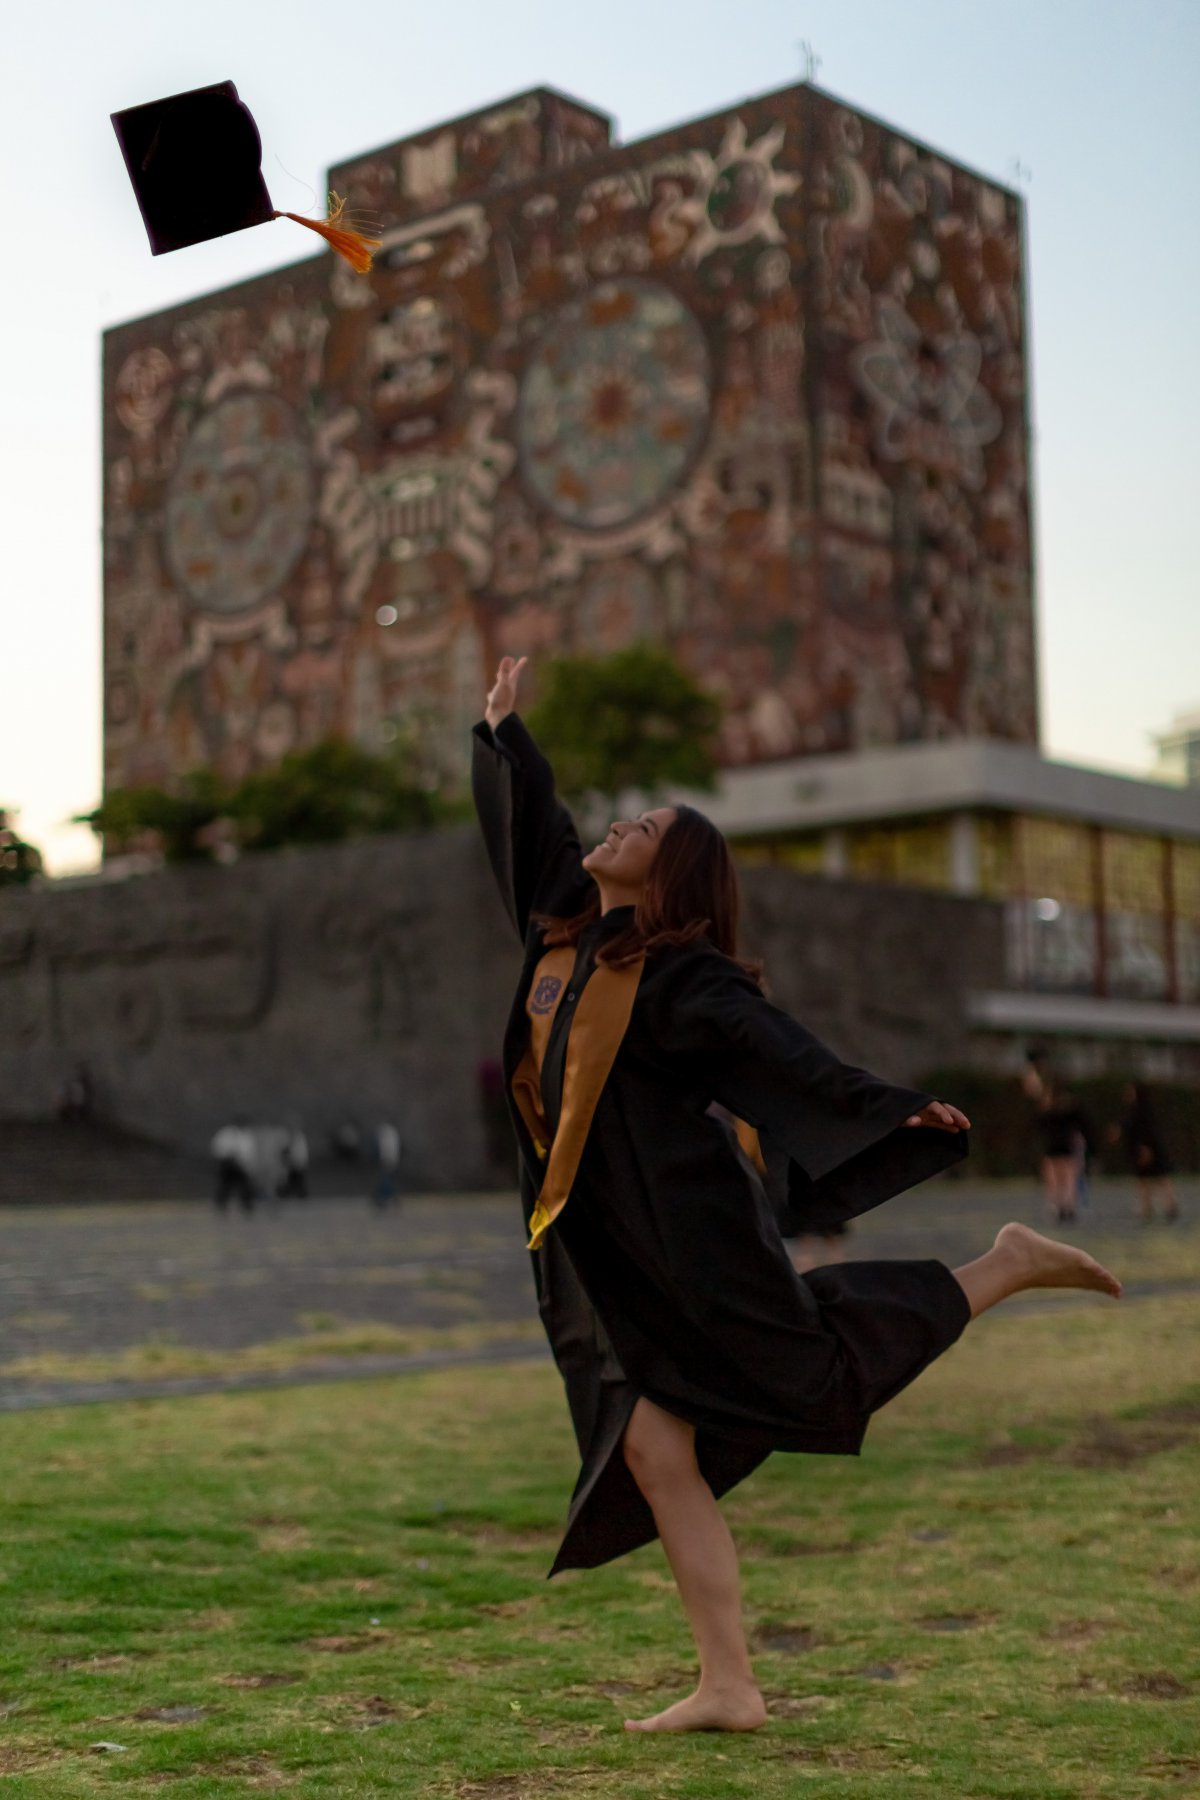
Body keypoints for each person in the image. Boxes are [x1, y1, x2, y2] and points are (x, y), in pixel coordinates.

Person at [472, 656, 1122, 1735]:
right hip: (612, 1248)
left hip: (694, 1240)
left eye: (643, 830)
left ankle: (999, 1266)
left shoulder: (685, 980)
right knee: (653, 1448)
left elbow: (784, 1055)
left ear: (673, 877)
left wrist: (890, 1110)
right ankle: (730, 1685)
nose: (618, 830)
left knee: (814, 1382)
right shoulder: (566, 939)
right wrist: (508, 738)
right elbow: (535, 838)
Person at [1116, 1082, 1179, 1223]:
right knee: (1145, 1180)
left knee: (1158, 1178)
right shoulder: (1134, 1109)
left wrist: (1145, 1148)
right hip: (1144, 1149)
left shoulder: (1142, 1110)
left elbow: (1147, 1131)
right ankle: (1149, 1207)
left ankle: (1169, 1205)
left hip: (1148, 1149)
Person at [210, 1116, 256, 1213]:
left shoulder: (246, 1135)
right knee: (226, 1186)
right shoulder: (226, 1133)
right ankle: (221, 1206)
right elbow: (217, 1147)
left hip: (242, 1165)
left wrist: (248, 1165)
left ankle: (247, 1207)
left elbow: (249, 1152)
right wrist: (228, 1156)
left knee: (245, 1186)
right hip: (228, 1164)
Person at [372, 1120, 402, 1209]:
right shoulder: (391, 1134)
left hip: (387, 1160)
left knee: (385, 1180)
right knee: (385, 1180)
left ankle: (387, 1197)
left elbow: (387, 1149)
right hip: (389, 1160)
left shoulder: (386, 1134)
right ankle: (385, 1197)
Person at [278, 1121, 310, 1199]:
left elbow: (299, 1150)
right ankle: (296, 1194)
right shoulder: (294, 1137)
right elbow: (287, 1150)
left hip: (297, 1162)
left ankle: (294, 1194)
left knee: (295, 1179)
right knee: (294, 1179)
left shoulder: (297, 1137)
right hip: (295, 1162)